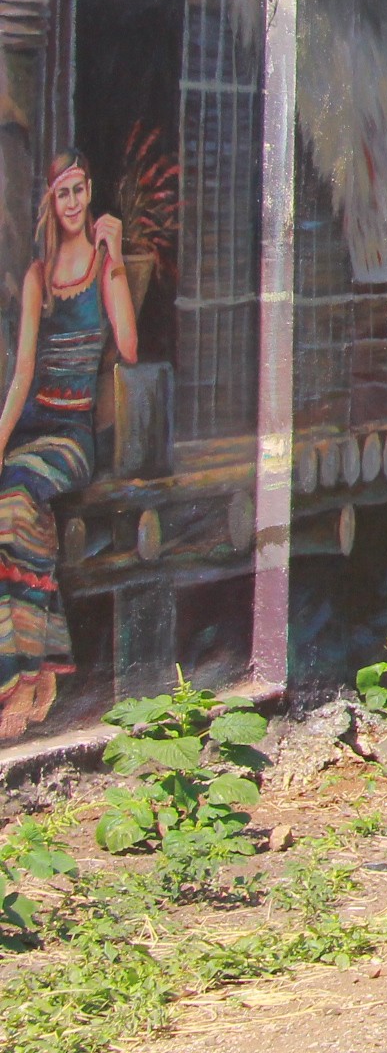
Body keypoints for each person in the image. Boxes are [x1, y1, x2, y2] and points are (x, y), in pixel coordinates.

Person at [0, 154, 138, 741]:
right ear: (52, 206)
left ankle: (24, 679)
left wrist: (122, 262)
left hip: (73, 438)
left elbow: (129, 350)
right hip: (34, 428)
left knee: (10, 509)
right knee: (13, 513)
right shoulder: (38, 276)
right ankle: (35, 675)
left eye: (81, 189)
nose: (75, 202)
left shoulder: (106, 265)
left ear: (90, 192)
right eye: (64, 194)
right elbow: (24, 368)